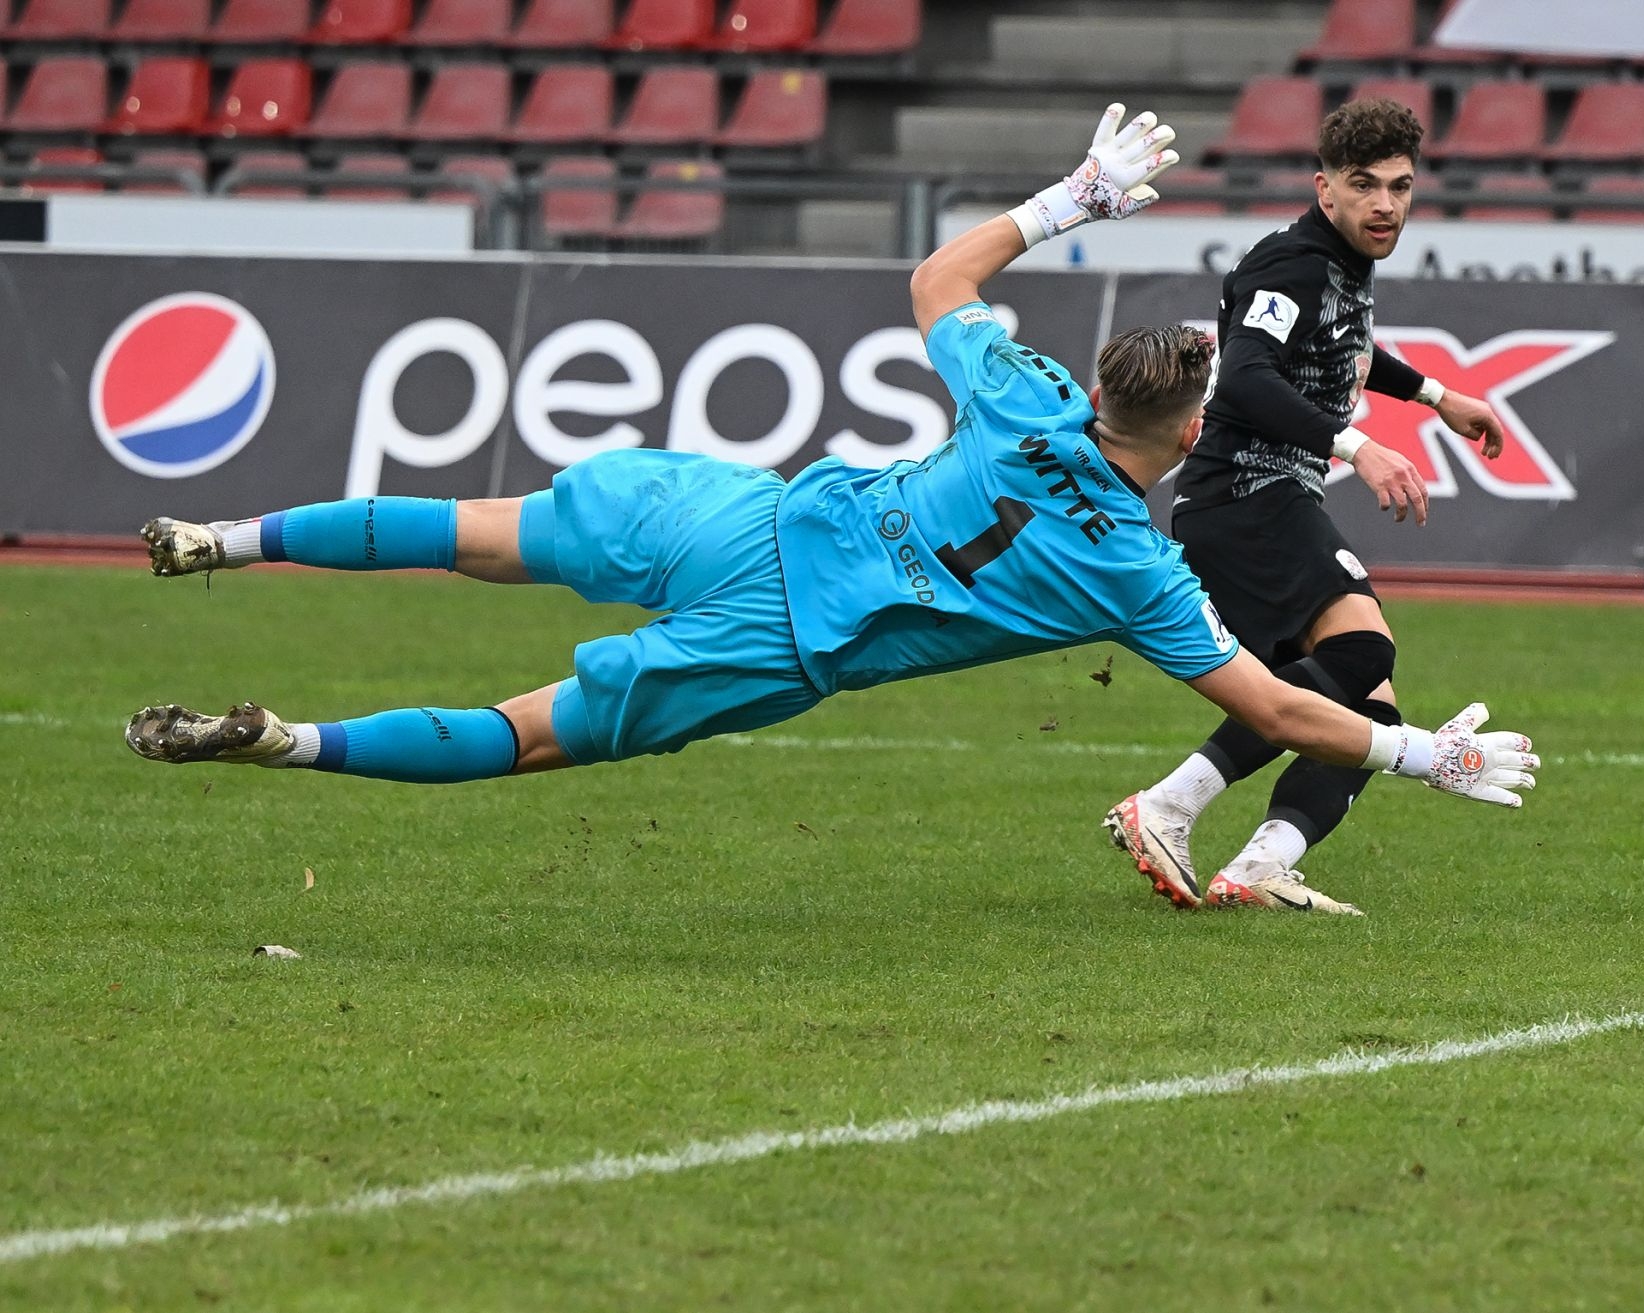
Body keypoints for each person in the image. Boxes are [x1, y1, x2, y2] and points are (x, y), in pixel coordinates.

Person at [125, 104, 1539, 855]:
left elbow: (938, 277)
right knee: (532, 732)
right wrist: (1428, 751)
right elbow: (1285, 703)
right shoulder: (1134, 566)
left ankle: (229, 535)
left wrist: (1072, 202)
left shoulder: (1023, 392)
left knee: (478, 533)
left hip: (749, 508)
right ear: (1183, 436)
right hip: (787, 637)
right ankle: (289, 741)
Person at [1104, 98, 1515, 916]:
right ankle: (1170, 803)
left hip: (1263, 498)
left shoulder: (1338, 268)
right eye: (1365, 186)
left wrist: (1438, 395)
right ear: (1324, 188)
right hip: (1242, 494)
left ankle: (1263, 863)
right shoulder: (1288, 266)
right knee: (1362, 652)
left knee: (1369, 705)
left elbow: (1346, 348)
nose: (1385, 205)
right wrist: (1359, 445)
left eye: (1400, 186)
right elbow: (1249, 374)